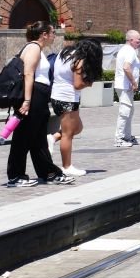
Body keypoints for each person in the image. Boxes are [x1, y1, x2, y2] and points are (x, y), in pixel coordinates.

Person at [6, 21, 74, 187]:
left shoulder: (37, 49)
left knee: (38, 139)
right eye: (52, 33)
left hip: (39, 96)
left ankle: (49, 173)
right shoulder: (34, 48)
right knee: (23, 136)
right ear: (44, 34)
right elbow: (29, 74)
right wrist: (27, 101)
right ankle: (15, 176)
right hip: (33, 96)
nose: (54, 36)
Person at [50, 39, 103, 177]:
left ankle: (53, 138)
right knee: (68, 134)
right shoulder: (79, 60)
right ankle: (67, 166)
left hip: (57, 96)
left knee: (78, 127)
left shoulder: (65, 52)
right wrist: (89, 83)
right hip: (68, 98)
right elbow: (78, 85)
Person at [113, 30, 140, 147]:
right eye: (138, 39)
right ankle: (119, 139)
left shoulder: (125, 50)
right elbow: (126, 67)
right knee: (125, 112)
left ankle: (127, 136)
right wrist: (134, 82)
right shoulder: (130, 51)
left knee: (129, 111)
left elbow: (131, 67)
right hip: (125, 86)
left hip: (124, 85)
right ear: (131, 40)